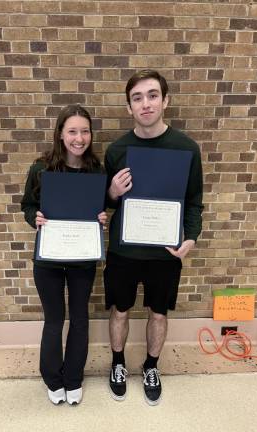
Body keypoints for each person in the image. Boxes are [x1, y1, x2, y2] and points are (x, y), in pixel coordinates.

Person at [104, 69, 203, 405]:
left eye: (152, 95)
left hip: (165, 251)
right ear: (129, 107)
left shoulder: (186, 149)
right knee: (119, 310)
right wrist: (113, 193)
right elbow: (102, 206)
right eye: (137, 98)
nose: (145, 104)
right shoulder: (117, 150)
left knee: (159, 313)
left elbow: (193, 202)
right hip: (124, 250)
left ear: (165, 101)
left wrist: (191, 238)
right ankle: (117, 363)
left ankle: (151, 366)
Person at [21, 104, 107, 406]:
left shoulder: (96, 170)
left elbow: (100, 208)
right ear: (60, 133)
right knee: (54, 320)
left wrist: (101, 218)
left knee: (80, 319)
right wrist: (37, 219)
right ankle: (53, 379)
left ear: (91, 135)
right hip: (49, 258)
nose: (79, 138)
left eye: (84, 131)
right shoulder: (41, 168)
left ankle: (73, 379)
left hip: (82, 256)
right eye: (72, 131)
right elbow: (27, 207)